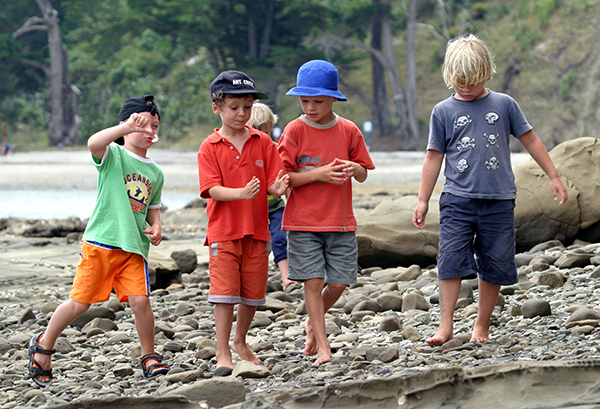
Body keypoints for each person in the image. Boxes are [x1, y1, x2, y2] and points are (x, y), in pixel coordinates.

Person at [412, 34, 568, 346]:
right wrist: (422, 200)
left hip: (498, 200)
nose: (465, 88)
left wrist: (553, 175)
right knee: (450, 260)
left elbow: (531, 140)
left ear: (486, 73)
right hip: (457, 200)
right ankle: (445, 326)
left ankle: (481, 326)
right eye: (458, 82)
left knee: (495, 263)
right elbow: (433, 157)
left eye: (471, 82)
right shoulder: (443, 111)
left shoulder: (504, 104)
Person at [28, 95, 169, 387]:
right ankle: (44, 345)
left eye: (155, 126)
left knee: (141, 302)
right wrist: (126, 127)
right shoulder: (113, 156)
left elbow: (152, 207)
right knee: (79, 303)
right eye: (143, 126)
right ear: (124, 126)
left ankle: (149, 356)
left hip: (132, 249)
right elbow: (93, 143)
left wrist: (156, 226)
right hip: (101, 244)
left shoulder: (155, 171)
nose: (150, 132)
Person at [278, 60, 375, 366]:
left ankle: (312, 320)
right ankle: (322, 345)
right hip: (302, 222)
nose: (310, 107)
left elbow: (363, 174)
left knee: (340, 282)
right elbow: (282, 179)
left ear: (334, 99)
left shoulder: (348, 130)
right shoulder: (294, 130)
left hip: (341, 221)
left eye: (317, 101)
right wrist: (318, 174)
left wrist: (354, 167)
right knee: (312, 280)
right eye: (304, 101)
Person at [197, 71, 289, 376]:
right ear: (217, 108)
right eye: (234, 107)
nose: (241, 114)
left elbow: (274, 183)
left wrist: (280, 186)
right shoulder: (209, 146)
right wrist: (240, 193)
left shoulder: (263, 141)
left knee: (253, 293)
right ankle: (222, 350)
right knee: (224, 294)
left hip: (257, 230)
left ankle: (240, 340)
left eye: (247, 107)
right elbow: (211, 189)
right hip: (223, 231)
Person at [247, 102, 295, 291]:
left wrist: (291, 202)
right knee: (256, 245)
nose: (264, 137)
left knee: (280, 237)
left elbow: (285, 178)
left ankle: (286, 277)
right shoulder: (244, 151)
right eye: (260, 132)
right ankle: (255, 282)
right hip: (252, 207)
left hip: (275, 206)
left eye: (267, 132)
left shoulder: (274, 149)